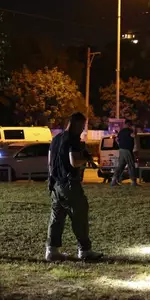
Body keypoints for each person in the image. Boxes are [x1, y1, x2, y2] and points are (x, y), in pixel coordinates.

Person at [46, 112, 103, 262]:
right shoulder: (73, 139)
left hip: (56, 183)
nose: (83, 129)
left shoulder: (56, 139)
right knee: (80, 215)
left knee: (57, 217)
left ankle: (52, 250)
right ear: (76, 124)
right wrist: (86, 159)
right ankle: (84, 250)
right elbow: (74, 162)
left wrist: (51, 181)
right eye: (83, 125)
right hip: (69, 183)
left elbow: (49, 161)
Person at [111, 119, 138, 187]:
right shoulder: (129, 131)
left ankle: (114, 180)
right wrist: (135, 129)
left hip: (121, 149)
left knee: (121, 166)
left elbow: (117, 139)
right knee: (131, 165)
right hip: (127, 150)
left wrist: (120, 145)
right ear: (129, 124)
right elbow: (134, 135)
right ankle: (133, 182)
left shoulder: (121, 131)